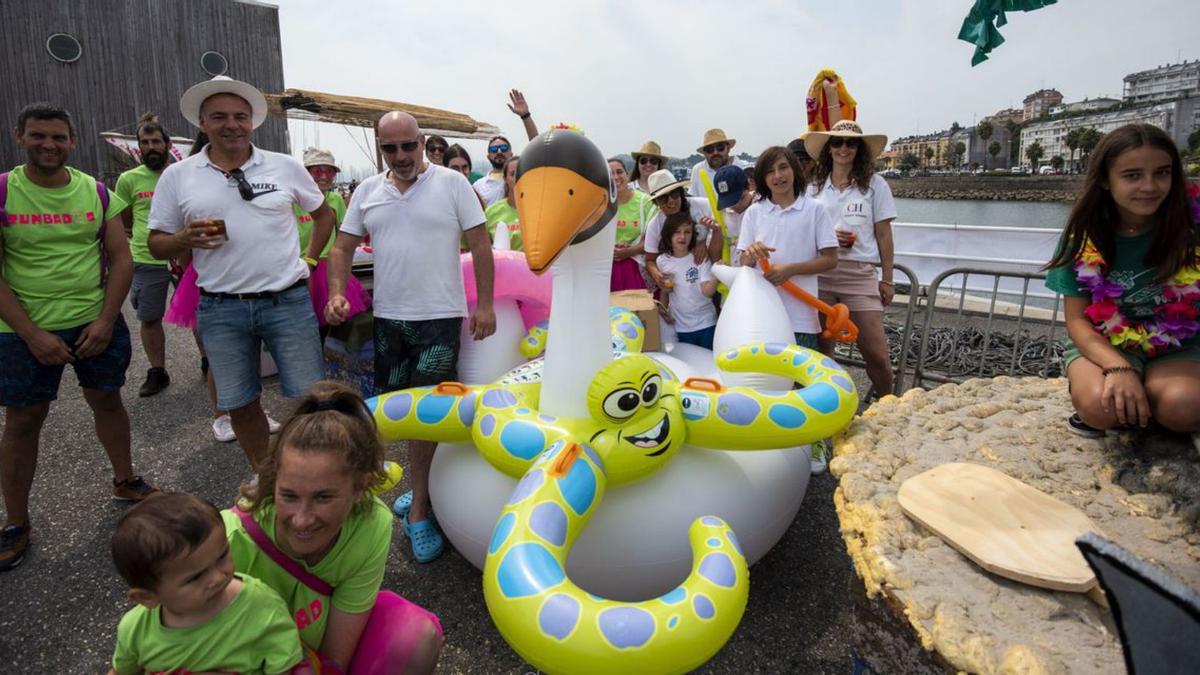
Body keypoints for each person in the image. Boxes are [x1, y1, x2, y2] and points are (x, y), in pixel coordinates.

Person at [325, 111, 495, 563]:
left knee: (427, 414)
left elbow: (481, 244)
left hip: (439, 317)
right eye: (390, 148)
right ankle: (426, 490)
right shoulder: (367, 190)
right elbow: (341, 247)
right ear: (379, 147)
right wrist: (338, 293)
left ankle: (419, 506)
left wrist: (485, 304)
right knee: (396, 410)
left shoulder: (452, 184)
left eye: (408, 146)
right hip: (389, 319)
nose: (400, 156)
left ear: (422, 143)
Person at [0, 103, 159, 572]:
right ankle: (16, 522)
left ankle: (125, 479)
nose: (47, 145)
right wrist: (31, 335)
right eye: (37, 136)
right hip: (21, 331)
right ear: (19, 136)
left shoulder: (95, 192)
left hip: (92, 321)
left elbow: (121, 257)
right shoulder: (5, 192)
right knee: (24, 421)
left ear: (72, 141)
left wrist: (107, 320)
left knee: (108, 400)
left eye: (57, 137)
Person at [148, 75, 334, 470]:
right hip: (221, 307)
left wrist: (311, 260)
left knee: (311, 398)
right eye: (219, 116)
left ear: (252, 122)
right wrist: (184, 237)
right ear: (202, 123)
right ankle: (264, 476)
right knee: (240, 400)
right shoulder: (178, 175)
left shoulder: (284, 167)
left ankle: (314, 471)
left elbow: (324, 215)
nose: (231, 124)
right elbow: (156, 243)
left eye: (240, 116)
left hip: (287, 300)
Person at [225, 381, 443, 672]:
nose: (301, 519)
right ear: (274, 479)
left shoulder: (372, 523)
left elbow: (334, 658)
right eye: (288, 495)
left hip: (309, 658)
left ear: (360, 489)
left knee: (415, 637)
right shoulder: (228, 539)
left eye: (323, 497)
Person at [1043, 123, 1200, 439]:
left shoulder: (1192, 229)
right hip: (1104, 343)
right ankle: (1123, 399)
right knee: (1102, 408)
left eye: (1162, 173)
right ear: (1105, 180)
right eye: (1132, 176)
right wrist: (1120, 368)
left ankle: (1154, 404)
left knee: (1182, 405)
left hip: (1179, 346)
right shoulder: (1082, 238)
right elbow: (1076, 320)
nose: (1149, 186)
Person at [108, 493, 302, 674]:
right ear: (146, 597)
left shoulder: (262, 606)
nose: (218, 577)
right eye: (195, 577)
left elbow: (287, 668)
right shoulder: (135, 630)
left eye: (222, 556)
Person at [738, 146, 838, 473]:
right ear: (763, 179)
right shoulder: (755, 212)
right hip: (762, 313)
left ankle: (815, 441)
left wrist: (791, 270)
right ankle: (772, 441)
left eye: (783, 168)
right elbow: (742, 260)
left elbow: (830, 258)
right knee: (766, 378)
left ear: (794, 169)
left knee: (804, 382)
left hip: (802, 313)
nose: (778, 176)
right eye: (770, 172)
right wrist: (751, 252)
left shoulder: (815, 210)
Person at [806, 120, 897, 401]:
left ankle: (889, 407)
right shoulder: (813, 188)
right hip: (820, 273)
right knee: (823, 352)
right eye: (837, 142)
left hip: (859, 275)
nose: (844, 148)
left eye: (851, 143)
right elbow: (804, 229)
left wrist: (888, 279)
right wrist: (830, 239)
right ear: (828, 148)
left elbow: (884, 234)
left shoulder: (875, 186)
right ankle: (828, 410)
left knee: (877, 354)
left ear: (859, 149)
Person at [115, 113, 176, 397]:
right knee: (150, 318)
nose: (151, 147)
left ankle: (207, 361)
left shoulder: (181, 173)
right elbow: (125, 219)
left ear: (167, 144)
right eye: (145, 142)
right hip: (146, 258)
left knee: (201, 313)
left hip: (184, 257)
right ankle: (157, 371)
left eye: (156, 141)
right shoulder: (128, 180)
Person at [296, 147, 370, 337]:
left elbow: (346, 235)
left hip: (329, 268)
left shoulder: (336, 199)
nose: (324, 176)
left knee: (340, 323)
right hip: (304, 269)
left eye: (329, 171)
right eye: (317, 171)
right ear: (306, 174)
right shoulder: (293, 200)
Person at [643, 169, 722, 289]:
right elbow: (649, 259)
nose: (671, 201)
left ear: (681, 192)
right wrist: (656, 274)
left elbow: (722, 230)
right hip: (679, 285)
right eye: (663, 198)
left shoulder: (705, 206)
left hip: (709, 278)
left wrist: (703, 242)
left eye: (674, 194)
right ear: (656, 203)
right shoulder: (654, 225)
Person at [658, 213, 718, 349]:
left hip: (706, 323)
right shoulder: (662, 261)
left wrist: (717, 274)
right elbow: (665, 291)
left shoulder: (700, 257)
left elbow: (707, 292)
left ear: (693, 235)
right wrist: (663, 310)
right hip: (680, 326)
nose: (682, 236)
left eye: (687, 232)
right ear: (668, 235)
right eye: (677, 232)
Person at [608, 157, 656, 291]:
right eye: (610, 174)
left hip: (637, 268)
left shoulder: (645, 202)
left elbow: (655, 239)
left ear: (627, 175)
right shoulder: (600, 203)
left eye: (619, 172)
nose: (616, 177)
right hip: (607, 268)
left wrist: (629, 251)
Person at [712, 164, 756, 266]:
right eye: (729, 201)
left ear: (748, 185)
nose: (735, 205)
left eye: (739, 198)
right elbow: (714, 258)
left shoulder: (763, 207)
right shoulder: (720, 213)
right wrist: (716, 232)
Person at [689, 128, 750, 200]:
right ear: (704, 153)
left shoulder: (744, 168)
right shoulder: (698, 170)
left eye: (720, 147)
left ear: (728, 148)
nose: (715, 153)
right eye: (710, 150)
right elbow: (693, 199)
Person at [483, 155, 523, 250]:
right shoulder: (490, 212)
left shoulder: (539, 210)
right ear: (505, 178)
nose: (518, 178)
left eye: (522, 174)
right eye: (513, 174)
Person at [473, 135, 512, 207]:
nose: (499, 152)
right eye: (494, 149)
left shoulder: (518, 179)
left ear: (511, 154)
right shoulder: (478, 186)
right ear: (488, 156)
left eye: (504, 148)